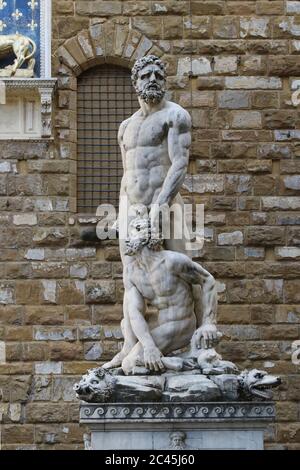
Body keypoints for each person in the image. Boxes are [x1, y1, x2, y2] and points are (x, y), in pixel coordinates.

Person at [103, 55, 219, 372]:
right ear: (136, 82)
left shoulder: (174, 116)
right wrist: (121, 212)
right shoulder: (125, 127)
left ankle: (201, 343)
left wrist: (160, 207)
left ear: (164, 81)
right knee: (132, 281)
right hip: (132, 211)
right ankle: (131, 345)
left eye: (158, 74)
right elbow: (129, 175)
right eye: (145, 75)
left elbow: (179, 164)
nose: (153, 78)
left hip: (166, 205)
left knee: (186, 271)